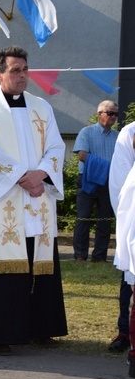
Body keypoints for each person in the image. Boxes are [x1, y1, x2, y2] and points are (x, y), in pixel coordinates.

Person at [0, 46, 67, 356]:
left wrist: (42, 175)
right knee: (1, 274)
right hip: (2, 203)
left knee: (39, 266)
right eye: (15, 70)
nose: (22, 75)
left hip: (38, 203)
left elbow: (56, 147)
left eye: (24, 69)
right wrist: (24, 177)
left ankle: (41, 328)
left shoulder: (42, 107)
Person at [72, 101, 118, 263]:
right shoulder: (86, 132)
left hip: (107, 182)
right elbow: (82, 156)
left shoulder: (118, 136)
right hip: (88, 179)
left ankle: (100, 256)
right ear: (99, 114)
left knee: (105, 220)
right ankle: (80, 255)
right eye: (110, 113)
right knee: (83, 218)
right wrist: (109, 166)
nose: (114, 117)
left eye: (116, 114)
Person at [107, 121, 135, 354]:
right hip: (134, 216)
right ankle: (125, 331)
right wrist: (126, 221)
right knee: (130, 280)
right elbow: (119, 181)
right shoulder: (130, 132)